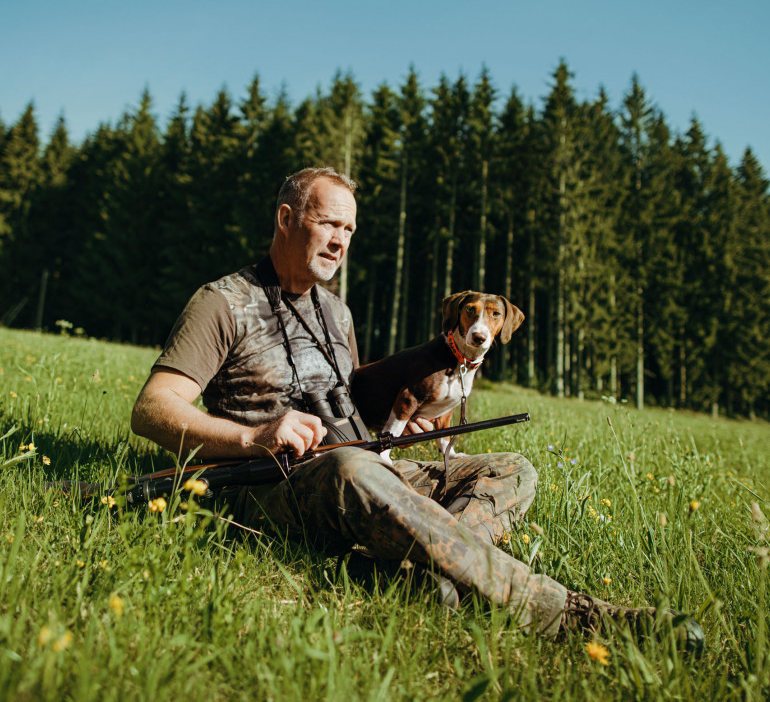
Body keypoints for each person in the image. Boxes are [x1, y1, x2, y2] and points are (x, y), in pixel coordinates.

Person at [131, 166, 703, 647]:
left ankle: (418, 571)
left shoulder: (337, 313)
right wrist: (252, 438)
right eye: (328, 223)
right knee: (352, 468)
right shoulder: (223, 302)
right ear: (285, 218)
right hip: (269, 485)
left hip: (365, 462)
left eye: (349, 229)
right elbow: (153, 408)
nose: (341, 240)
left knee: (509, 469)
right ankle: (569, 614)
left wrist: (402, 423)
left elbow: (351, 403)